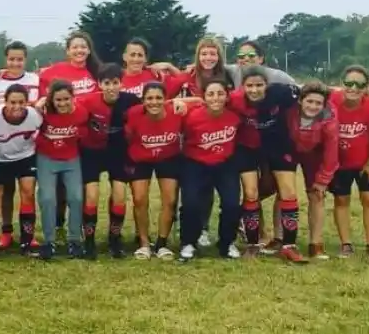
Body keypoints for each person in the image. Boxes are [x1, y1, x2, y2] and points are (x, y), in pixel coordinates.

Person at [230, 65, 306, 263]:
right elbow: (207, 101)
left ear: (267, 85)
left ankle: (289, 246)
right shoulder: (235, 99)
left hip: (278, 145)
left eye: (259, 85)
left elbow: (313, 92)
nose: (254, 90)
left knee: (288, 192)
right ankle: (253, 245)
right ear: (243, 87)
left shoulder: (281, 92)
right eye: (250, 86)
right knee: (251, 192)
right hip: (247, 147)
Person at [38, 31, 102, 242]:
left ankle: (80, 230)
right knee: (55, 190)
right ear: (68, 50)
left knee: (78, 189)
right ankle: (56, 224)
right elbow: (40, 96)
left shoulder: (96, 71)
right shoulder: (53, 72)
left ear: (89, 49)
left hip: (82, 135)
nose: (79, 50)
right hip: (56, 136)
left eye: (83, 46)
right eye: (75, 47)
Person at [80, 63, 140, 258]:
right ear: (99, 84)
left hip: (118, 153)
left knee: (120, 194)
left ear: (121, 83)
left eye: (115, 83)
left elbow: (154, 106)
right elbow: (64, 106)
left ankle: (115, 240)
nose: (111, 87)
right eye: (107, 83)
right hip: (92, 152)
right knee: (91, 195)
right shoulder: (88, 101)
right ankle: (89, 242)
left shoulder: (131, 101)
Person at [177, 79, 242, 262]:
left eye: (220, 94)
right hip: (195, 163)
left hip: (224, 164)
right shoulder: (191, 116)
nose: (216, 98)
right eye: (211, 94)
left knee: (231, 204)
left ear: (227, 96)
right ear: (204, 97)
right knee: (191, 203)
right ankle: (189, 242)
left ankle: (226, 243)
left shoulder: (234, 116)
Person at [329, 65, 369, 259]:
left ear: (366, 87)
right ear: (341, 84)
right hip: (340, 164)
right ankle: (346, 245)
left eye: (359, 84)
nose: (353, 88)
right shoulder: (332, 102)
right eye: (348, 83)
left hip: (366, 163)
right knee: (341, 200)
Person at [124, 82, 185, 260]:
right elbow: (127, 137)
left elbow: (201, 101)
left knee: (170, 199)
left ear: (166, 99)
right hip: (140, 158)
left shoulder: (176, 111)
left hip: (168, 157)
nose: (154, 102)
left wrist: (183, 101)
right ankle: (144, 243)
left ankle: (162, 243)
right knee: (140, 198)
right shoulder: (134, 114)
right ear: (143, 100)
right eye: (149, 98)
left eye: (159, 98)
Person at [0, 41, 40, 249]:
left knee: (28, 190)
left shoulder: (35, 79)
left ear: (25, 60)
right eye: (11, 59)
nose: (16, 63)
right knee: (3, 193)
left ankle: (29, 237)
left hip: (25, 148)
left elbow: (44, 103)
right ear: (5, 59)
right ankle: (6, 232)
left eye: (20, 59)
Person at [0, 84, 42, 255]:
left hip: (25, 157)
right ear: (5, 102)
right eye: (13, 102)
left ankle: (27, 240)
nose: (17, 106)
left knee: (28, 192)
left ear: (27, 102)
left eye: (21, 102)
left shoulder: (35, 116)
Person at [35, 79, 89, 260]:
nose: (62, 103)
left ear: (73, 98)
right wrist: (38, 104)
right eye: (58, 100)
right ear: (51, 99)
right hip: (47, 158)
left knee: (76, 197)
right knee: (47, 198)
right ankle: (49, 241)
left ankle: (74, 239)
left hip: (71, 159)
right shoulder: (43, 112)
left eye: (66, 99)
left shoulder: (81, 112)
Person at [286, 82, 339, 259]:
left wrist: (323, 180)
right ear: (300, 101)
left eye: (318, 103)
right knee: (285, 192)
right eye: (309, 101)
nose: (313, 106)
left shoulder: (329, 119)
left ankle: (315, 244)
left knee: (316, 195)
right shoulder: (289, 110)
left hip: (315, 153)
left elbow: (331, 153)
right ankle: (280, 238)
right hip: (290, 149)